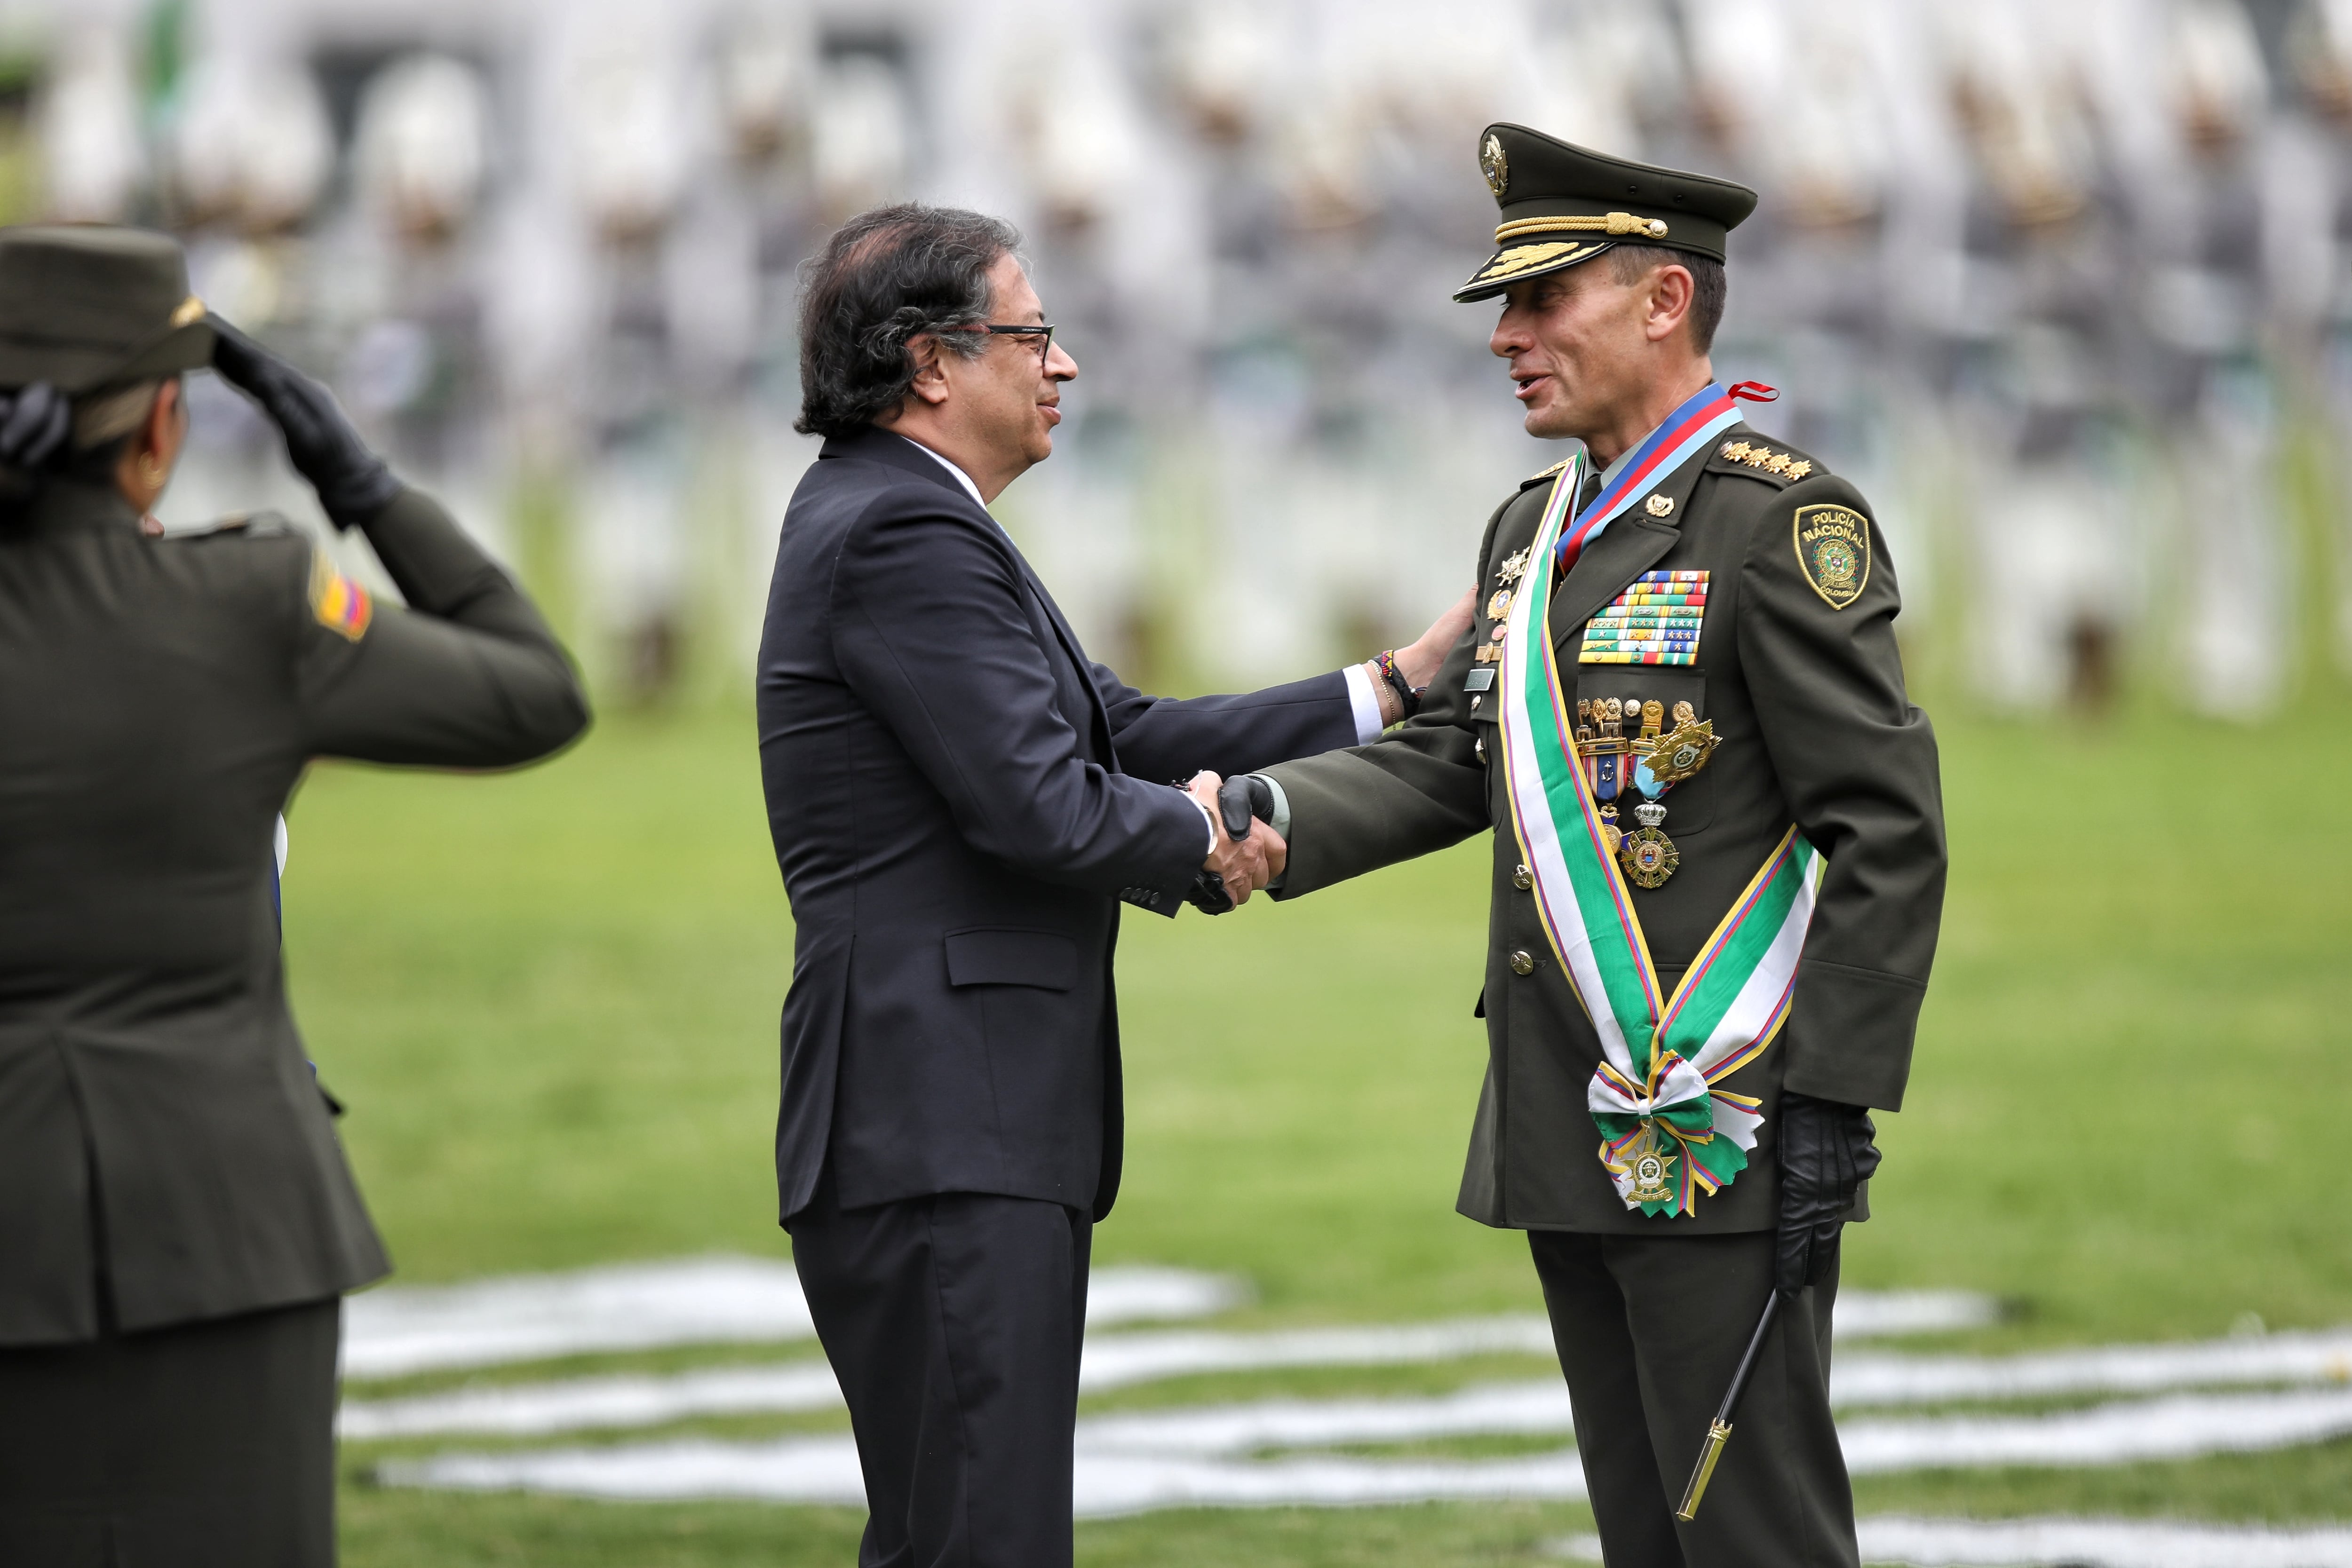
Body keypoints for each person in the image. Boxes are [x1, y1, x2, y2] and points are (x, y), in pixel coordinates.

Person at [1248, 127, 1947, 1566]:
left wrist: (1831, 1097)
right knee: (1645, 1535)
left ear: (1663, 300)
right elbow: (1467, 758)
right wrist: (1267, 823)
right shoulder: (1533, 529)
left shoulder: (1778, 521)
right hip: (1566, 1109)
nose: (1505, 337)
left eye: (1541, 299)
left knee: (1752, 1538)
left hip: (1717, 1118)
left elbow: (1886, 827)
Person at [755, 203, 1470, 1568]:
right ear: (930, 362)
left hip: (951, 1118)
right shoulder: (904, 529)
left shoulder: (909, 512)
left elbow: (1118, 733)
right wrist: (1212, 838)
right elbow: (1041, 803)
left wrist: (1388, 687)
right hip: (943, 1117)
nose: (1065, 364)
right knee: (985, 1540)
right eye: (1033, 335)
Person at [0, 225, 589, 1566]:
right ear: (162, 427)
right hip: (229, 1226)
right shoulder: (247, 604)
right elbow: (533, 692)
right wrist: (357, 480)